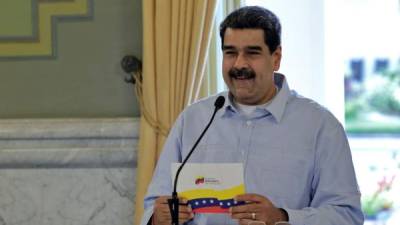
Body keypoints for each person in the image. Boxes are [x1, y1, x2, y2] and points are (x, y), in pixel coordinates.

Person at [140, 6, 364, 225]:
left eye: (252, 53)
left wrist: (282, 217)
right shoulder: (193, 120)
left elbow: (347, 216)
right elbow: (153, 206)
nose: (239, 64)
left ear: (276, 58)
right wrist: (158, 217)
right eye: (230, 53)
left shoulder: (320, 126)